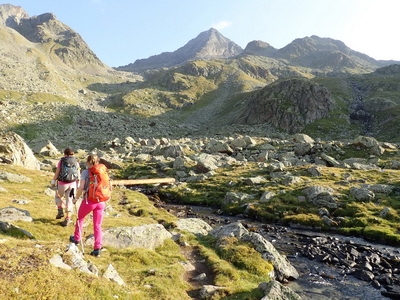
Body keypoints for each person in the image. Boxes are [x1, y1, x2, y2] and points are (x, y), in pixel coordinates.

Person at [70, 154, 111, 257]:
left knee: (80, 218)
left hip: (90, 201)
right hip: (101, 201)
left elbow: (81, 187)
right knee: (97, 225)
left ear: (88, 162)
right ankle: (97, 248)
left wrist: (76, 198)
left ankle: (77, 238)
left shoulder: (85, 172)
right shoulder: (103, 171)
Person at [51, 148, 80, 226]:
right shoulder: (76, 161)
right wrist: (79, 182)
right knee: (70, 200)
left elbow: (57, 172)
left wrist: (53, 181)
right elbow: (78, 172)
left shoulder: (62, 161)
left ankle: (60, 209)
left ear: (65, 154)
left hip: (62, 184)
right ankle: (68, 219)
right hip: (73, 184)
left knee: (58, 196)